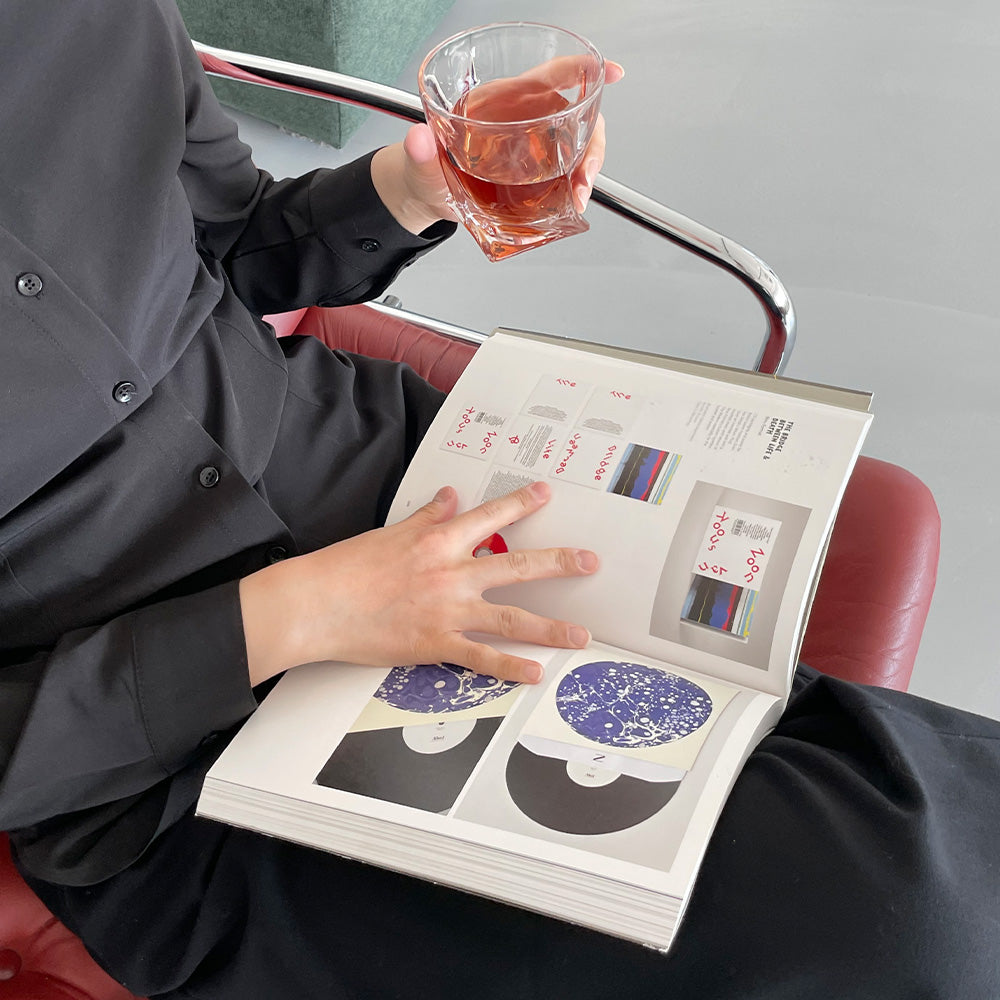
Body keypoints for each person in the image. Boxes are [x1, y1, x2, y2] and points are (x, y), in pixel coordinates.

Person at [1, 2, 998, 998]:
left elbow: (220, 251)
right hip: (160, 756)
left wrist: (409, 187)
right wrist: (287, 618)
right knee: (886, 936)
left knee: (917, 819)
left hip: (406, 486)